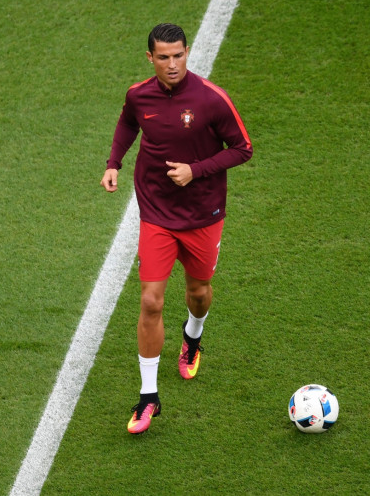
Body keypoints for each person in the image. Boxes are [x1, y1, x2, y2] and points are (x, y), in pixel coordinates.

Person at [100, 23, 252, 434]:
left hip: (203, 213)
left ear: (187, 53)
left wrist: (196, 170)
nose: (172, 64)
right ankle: (149, 397)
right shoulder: (138, 95)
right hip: (156, 211)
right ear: (150, 58)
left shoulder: (211, 99)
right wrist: (114, 162)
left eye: (179, 55)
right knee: (150, 301)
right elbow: (128, 123)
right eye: (163, 57)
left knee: (198, 293)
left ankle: (193, 335)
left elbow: (243, 149)